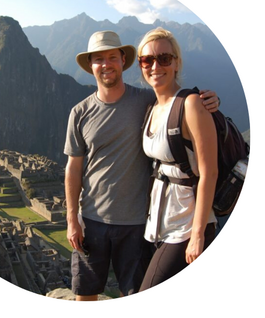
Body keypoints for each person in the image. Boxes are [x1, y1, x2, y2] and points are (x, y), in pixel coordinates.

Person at [64, 30, 219, 301]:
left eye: (112, 57)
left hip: (137, 223)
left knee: (135, 294)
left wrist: (210, 100)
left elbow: (181, 106)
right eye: (99, 59)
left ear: (123, 60)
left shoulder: (146, 101)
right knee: (85, 293)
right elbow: (73, 168)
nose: (106, 64)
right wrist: (71, 218)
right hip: (91, 220)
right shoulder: (80, 112)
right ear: (90, 65)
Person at [138, 27, 218, 291]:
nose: (155, 66)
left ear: (176, 63)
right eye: (147, 60)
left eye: (164, 58)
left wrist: (197, 235)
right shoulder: (153, 107)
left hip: (188, 225)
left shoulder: (191, 104)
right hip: (161, 222)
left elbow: (209, 173)